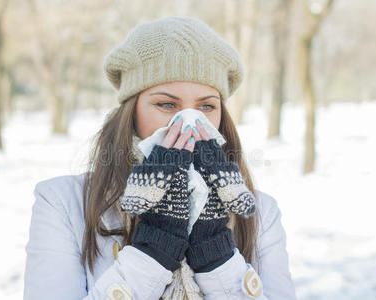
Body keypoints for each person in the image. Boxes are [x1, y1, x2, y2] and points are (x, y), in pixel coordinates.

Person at [23, 15, 297, 300]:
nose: (189, 123)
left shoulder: (260, 213)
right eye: (167, 104)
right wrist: (153, 251)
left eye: (206, 106)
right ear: (131, 112)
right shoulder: (63, 204)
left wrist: (217, 257)